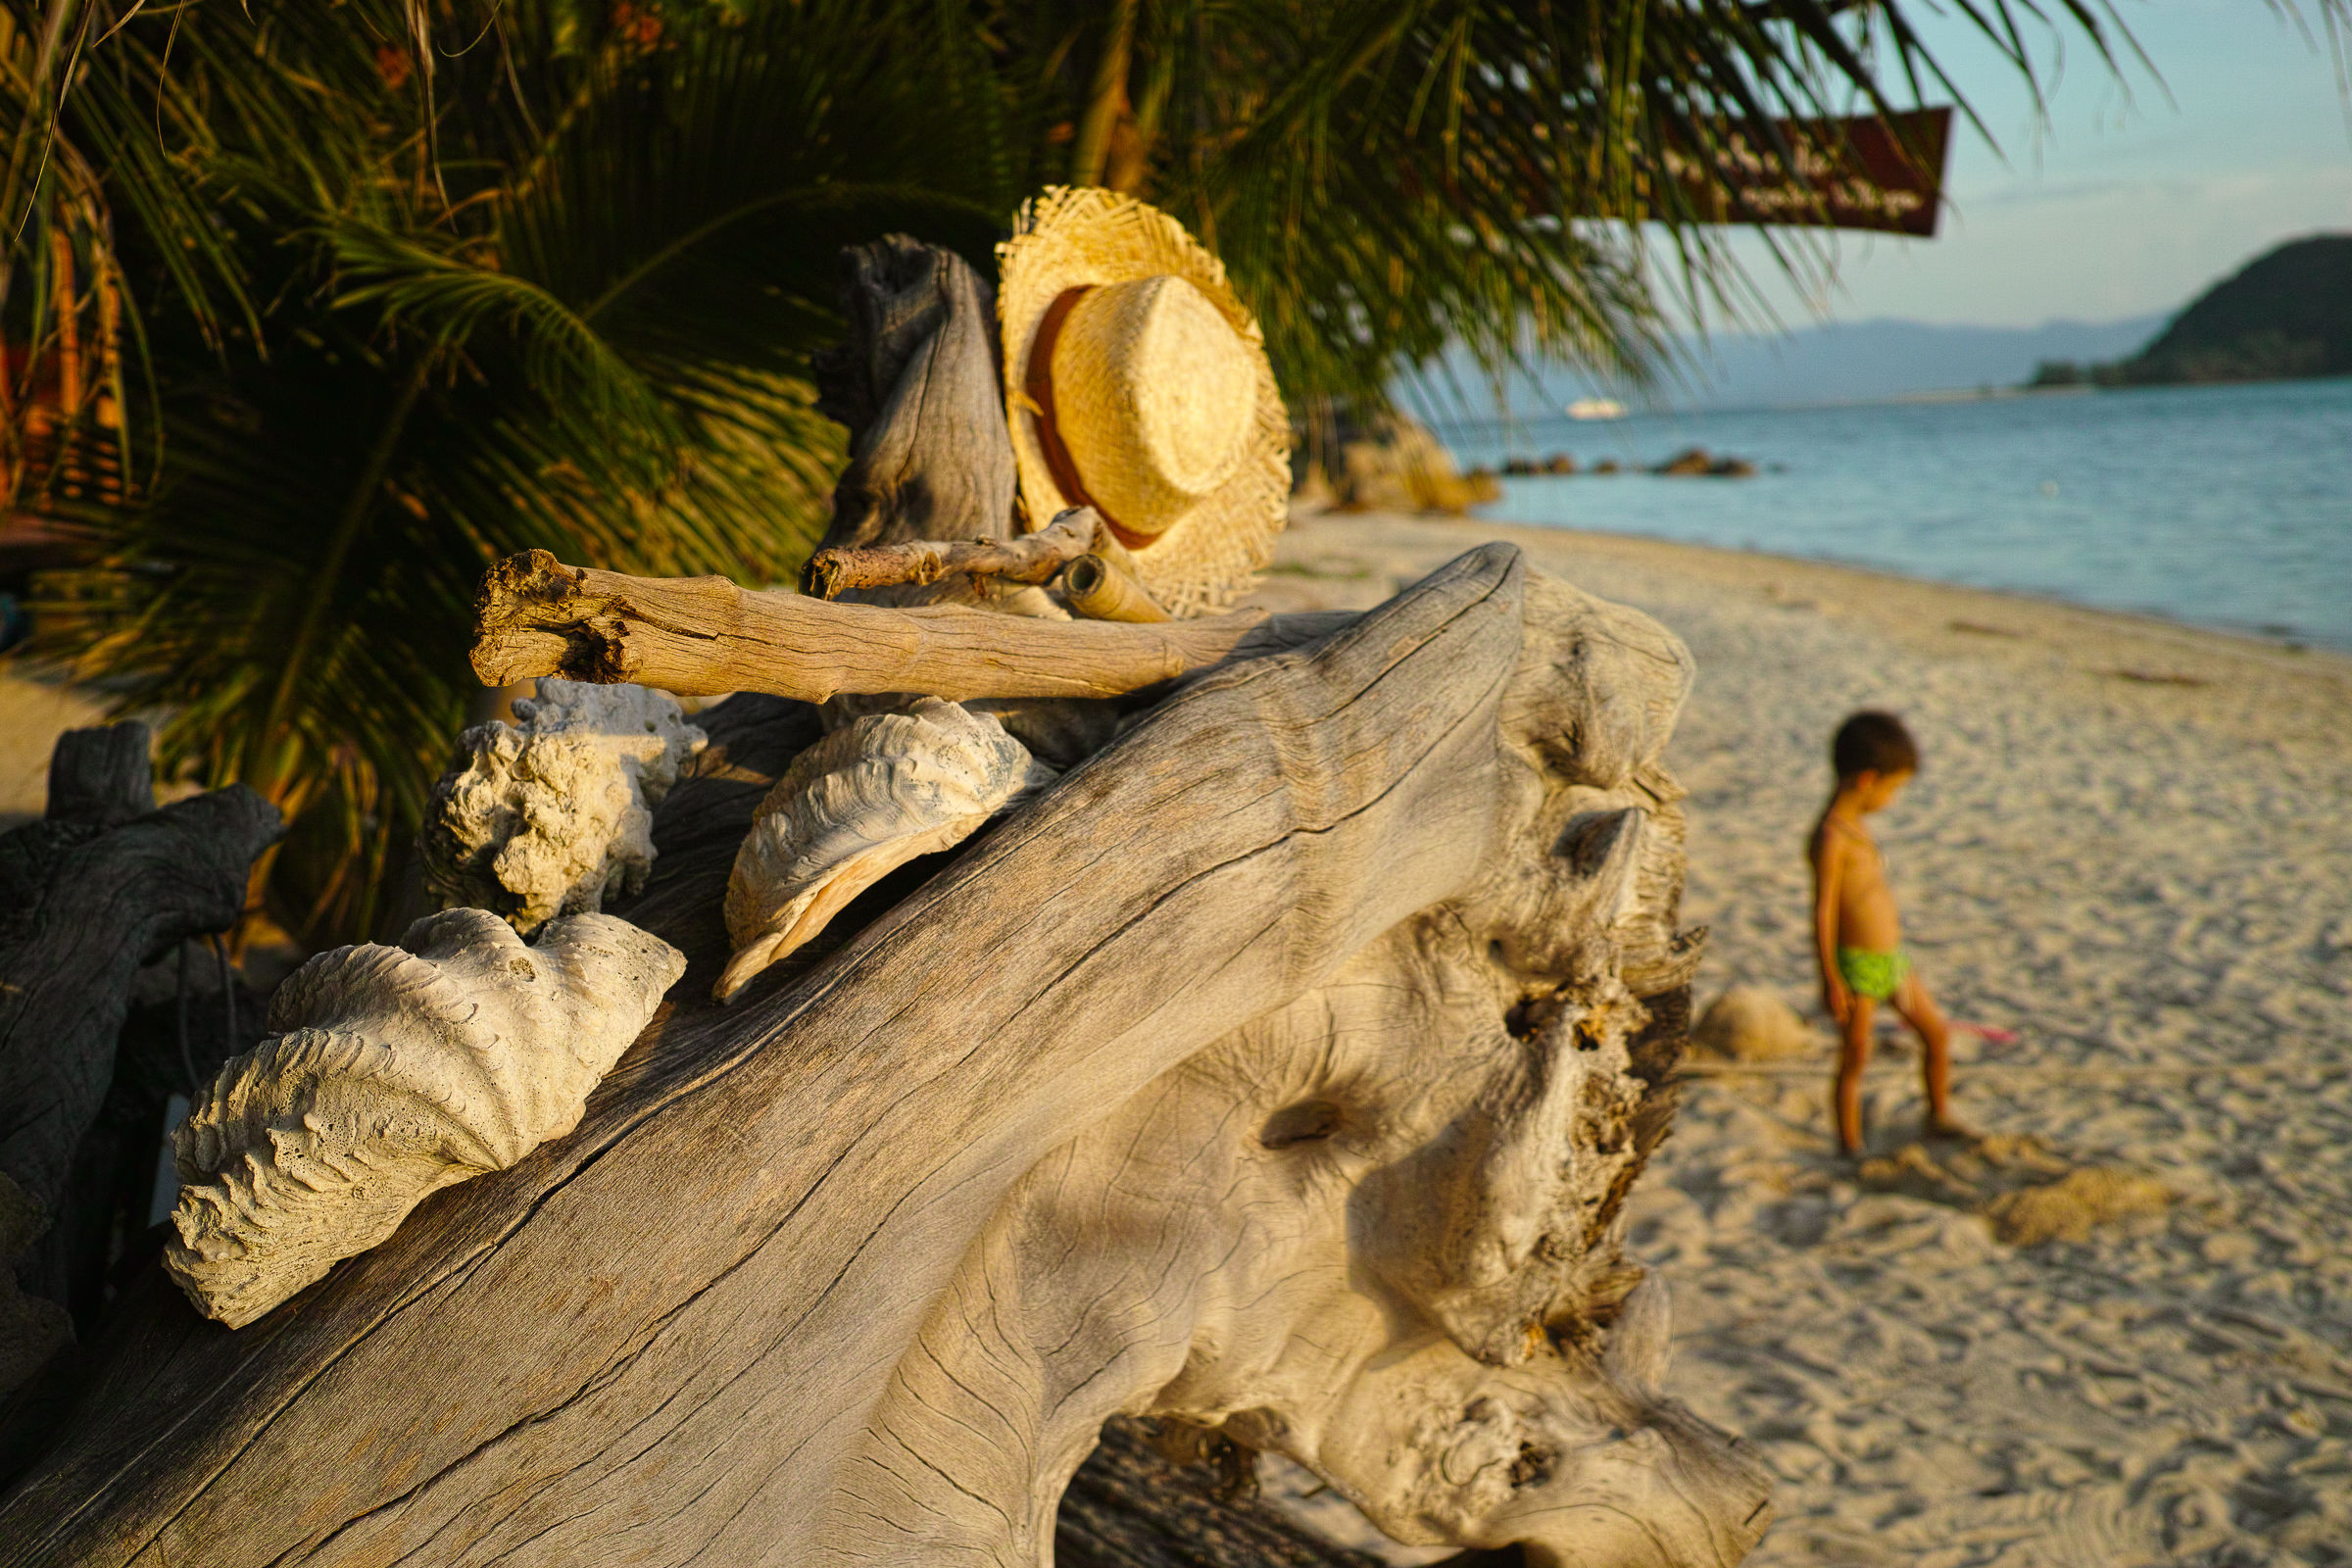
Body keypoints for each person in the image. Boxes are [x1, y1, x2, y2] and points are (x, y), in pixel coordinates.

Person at [1809, 710, 1973, 1156]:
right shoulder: (1831, 838)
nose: (1893, 799)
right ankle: (1850, 1144)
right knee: (1856, 1056)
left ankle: (1938, 1114)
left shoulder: (1858, 827)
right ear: (1867, 779)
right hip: (1857, 964)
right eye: (1893, 788)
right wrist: (1830, 977)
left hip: (1893, 959)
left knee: (1936, 1035)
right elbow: (1823, 911)